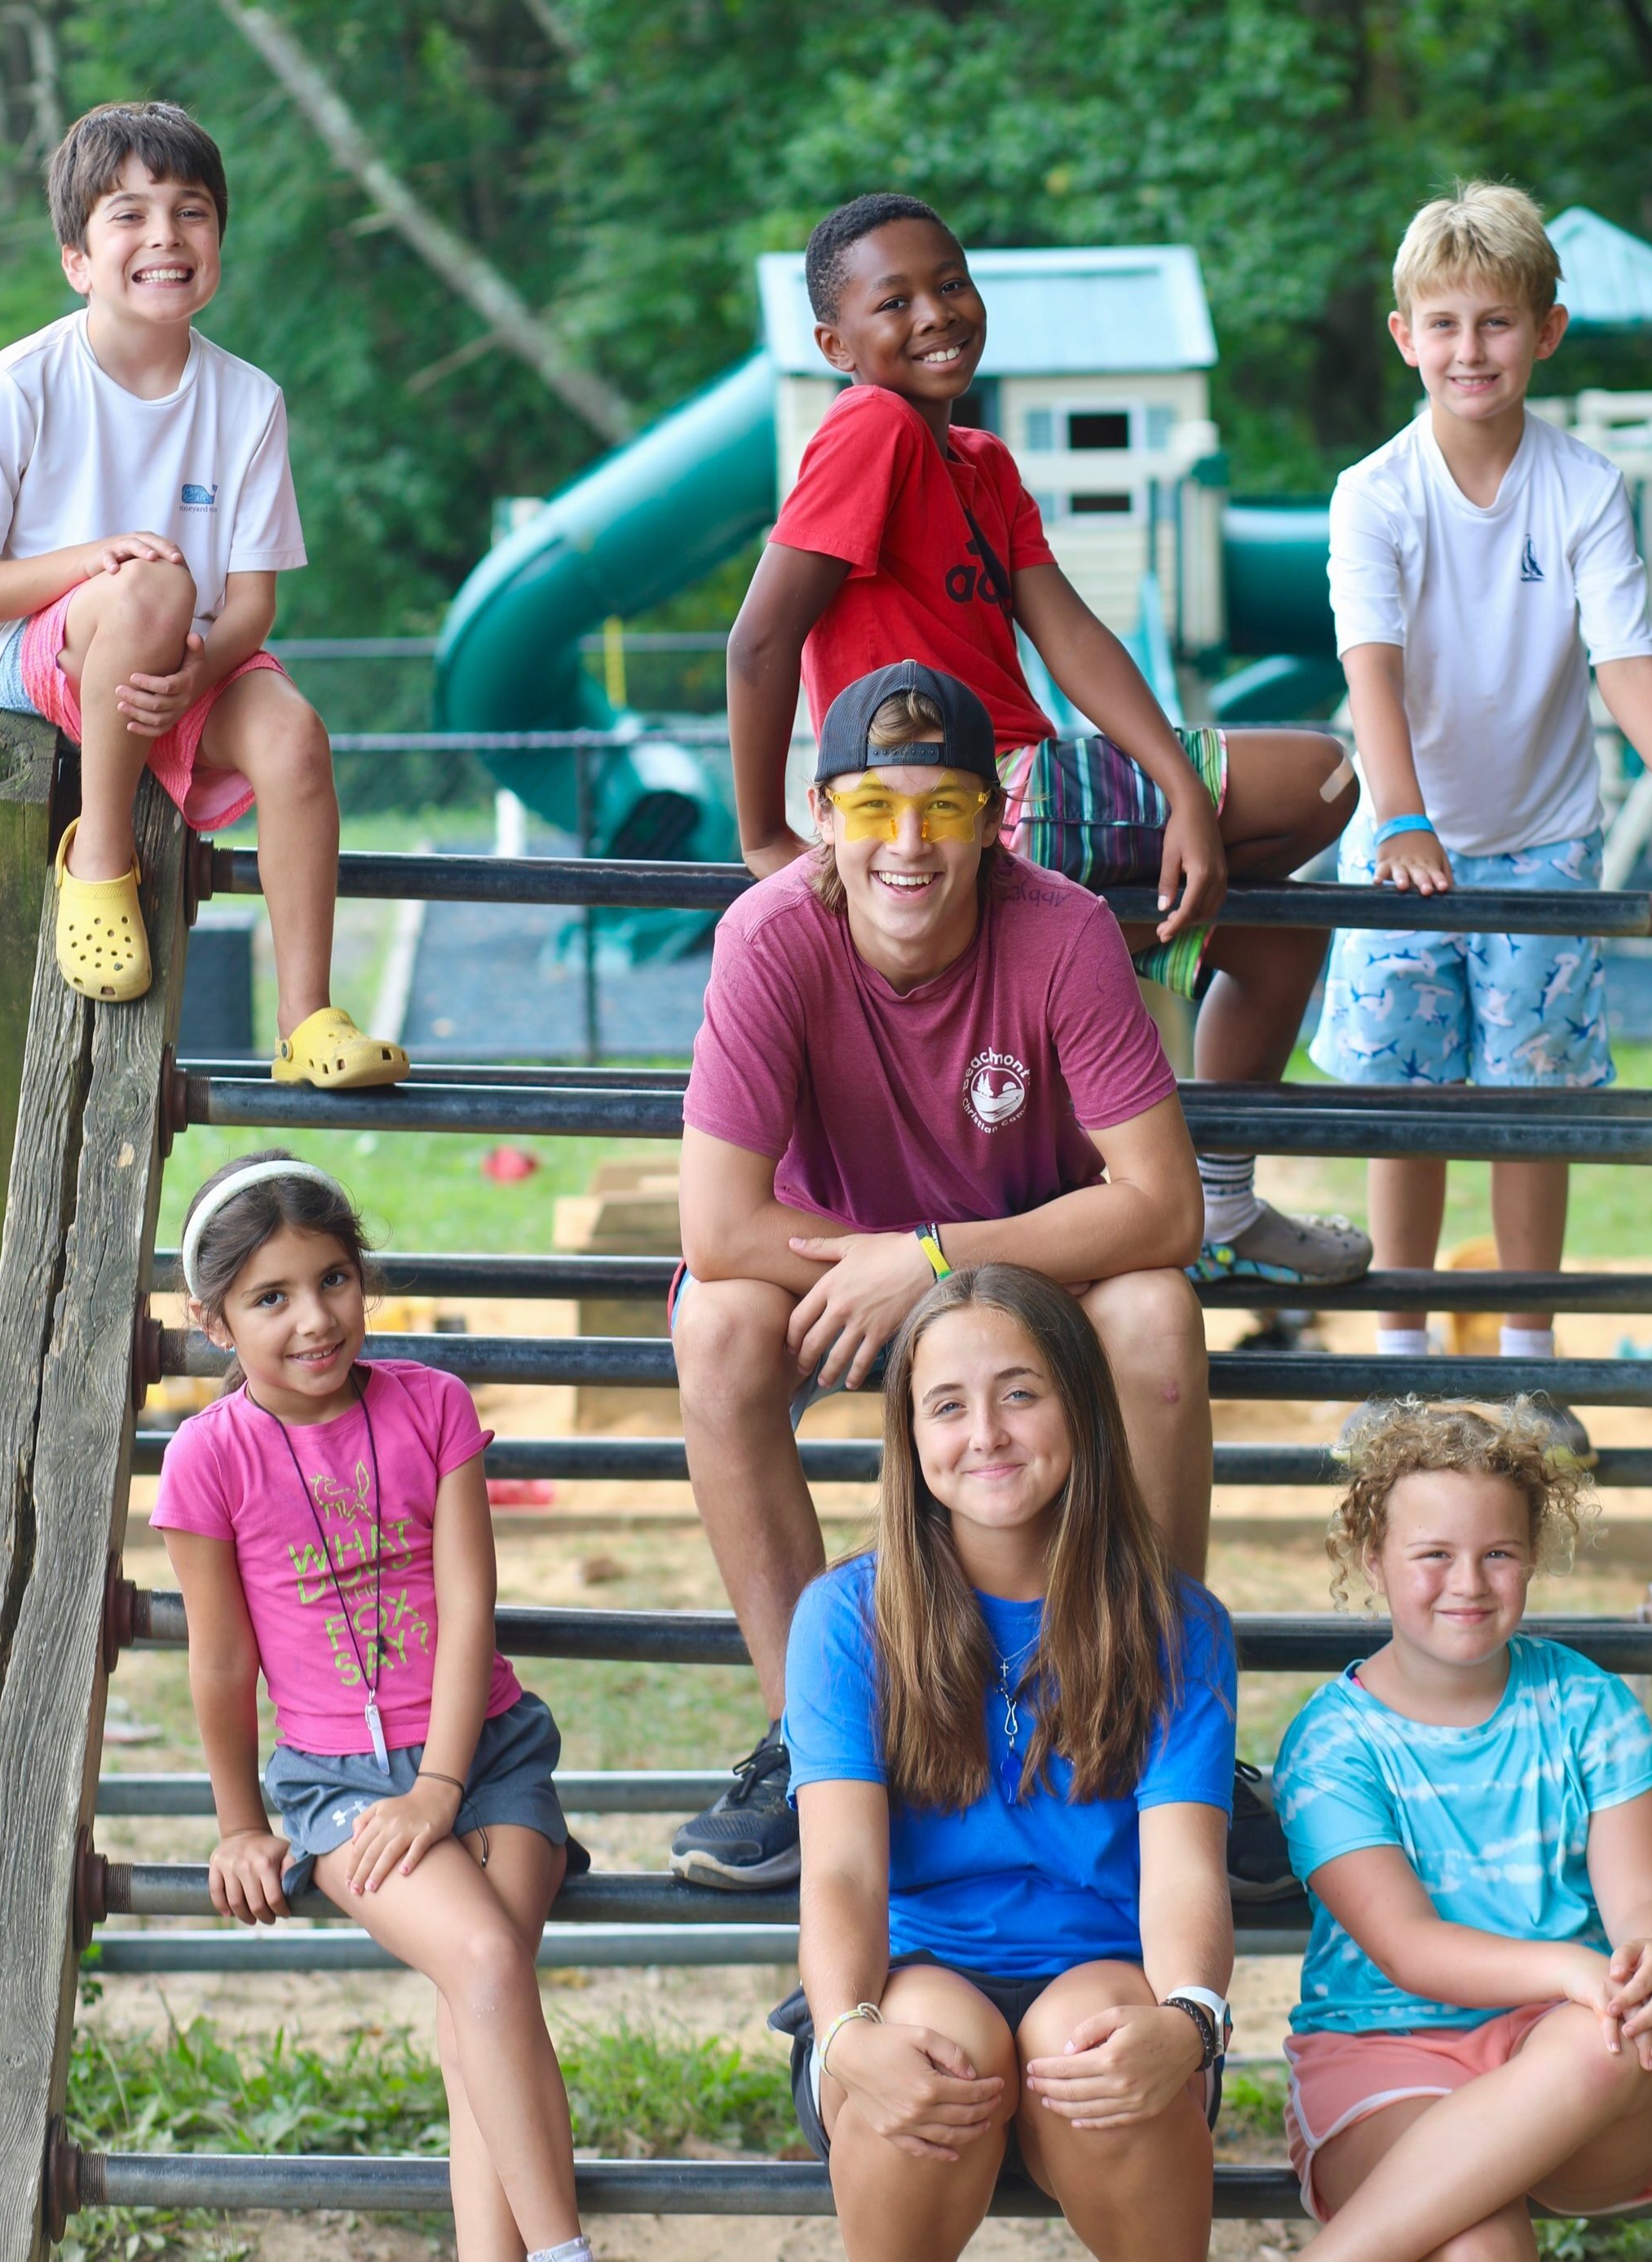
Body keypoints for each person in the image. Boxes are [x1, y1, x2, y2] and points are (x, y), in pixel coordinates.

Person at [671, 656, 1258, 1894]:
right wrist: (886, 1272)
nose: (907, 842)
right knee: (718, 1325)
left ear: (994, 815)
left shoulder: (1059, 930)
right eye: (873, 806)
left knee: (1153, 1314)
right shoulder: (769, 935)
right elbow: (721, 1228)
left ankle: (1154, 1717)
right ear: (820, 814)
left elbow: (1156, 1202)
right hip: (829, 1283)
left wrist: (933, 1262)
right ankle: (809, 1743)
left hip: (1018, 1276)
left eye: (941, 808)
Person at [727, 189, 1371, 1290]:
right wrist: (763, 839)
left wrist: (1177, 787)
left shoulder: (979, 462)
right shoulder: (868, 427)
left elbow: (1067, 633)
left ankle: (1212, 1191)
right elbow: (757, 640)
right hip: (980, 794)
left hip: (1023, 797)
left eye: (950, 284)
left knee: (1272, 935)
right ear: (835, 346)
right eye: (894, 302)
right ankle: (1106, 1002)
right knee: (1323, 774)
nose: (934, 313)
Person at [152, 1151, 590, 2262]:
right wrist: (242, 1820)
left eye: (334, 1278)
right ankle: (562, 2252)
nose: (315, 1318)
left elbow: (467, 1599)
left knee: (473, 2005)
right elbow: (218, 1661)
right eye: (271, 1296)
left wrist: (443, 1784)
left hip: (487, 1752)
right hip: (338, 1782)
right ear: (213, 1321)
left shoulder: (431, 1406)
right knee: (485, 1969)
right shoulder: (209, 1456)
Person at [1318, 182, 1652, 1425]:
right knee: (1404, 1098)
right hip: (1400, 829)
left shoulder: (1580, 485)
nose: (1467, 349)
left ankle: (1527, 1359)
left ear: (1544, 330)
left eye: (1494, 323)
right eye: (1442, 324)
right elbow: (1368, 667)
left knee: (1528, 1102)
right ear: (1402, 336)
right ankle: (1397, 1356)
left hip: (1541, 835)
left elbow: (1622, 658)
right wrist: (1399, 818)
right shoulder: (1372, 493)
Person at [0, 100, 405, 1089]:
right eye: (128, 214)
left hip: (191, 655)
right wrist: (95, 560)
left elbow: (255, 605)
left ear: (218, 239)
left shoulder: (248, 400)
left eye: (190, 212)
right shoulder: (20, 384)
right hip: (40, 661)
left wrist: (194, 680)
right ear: (77, 259)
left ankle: (305, 1016)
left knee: (295, 738)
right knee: (152, 584)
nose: (164, 237)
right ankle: (99, 854)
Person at [772, 1264, 1235, 2260]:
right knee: (935, 2058)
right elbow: (843, 1869)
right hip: (912, 1968)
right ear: (911, 1437)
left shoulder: (1173, 1621)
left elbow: (1185, 1864)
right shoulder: (849, 1614)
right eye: (948, 1404)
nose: (985, 1432)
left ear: (1081, 1405)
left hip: (1105, 1969)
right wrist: (849, 2034)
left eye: (1020, 1392)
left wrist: (1190, 2016)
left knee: (1095, 2047)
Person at [1273, 1401, 1652, 2255]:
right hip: (1385, 2055)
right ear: (1375, 1562)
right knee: (1479, 2248)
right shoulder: (1334, 1742)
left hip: (1581, 2078)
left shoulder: (1588, 1706)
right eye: (1434, 1554)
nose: (1468, 1581)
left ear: (1532, 1557)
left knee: (1606, 2029)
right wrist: (1573, 1968)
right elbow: (1408, 1947)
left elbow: (1649, 1904)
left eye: (1497, 1553)